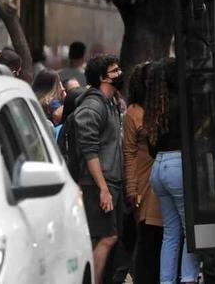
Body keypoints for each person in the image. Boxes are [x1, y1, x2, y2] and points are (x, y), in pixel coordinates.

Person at [146, 58, 199, 284]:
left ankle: (166, 281)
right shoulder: (184, 103)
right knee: (191, 231)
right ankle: (188, 277)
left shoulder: (155, 106)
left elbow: (150, 146)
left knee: (170, 232)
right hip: (178, 165)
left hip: (158, 166)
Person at [74, 55, 126, 284]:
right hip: (98, 185)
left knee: (106, 238)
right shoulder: (93, 106)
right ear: (102, 78)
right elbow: (89, 150)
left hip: (109, 183)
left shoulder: (110, 103)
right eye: (114, 71)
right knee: (106, 237)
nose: (119, 74)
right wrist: (103, 188)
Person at [123, 62, 162, 284]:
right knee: (148, 238)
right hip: (144, 184)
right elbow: (128, 153)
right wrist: (132, 189)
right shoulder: (133, 112)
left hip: (160, 179)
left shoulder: (160, 106)